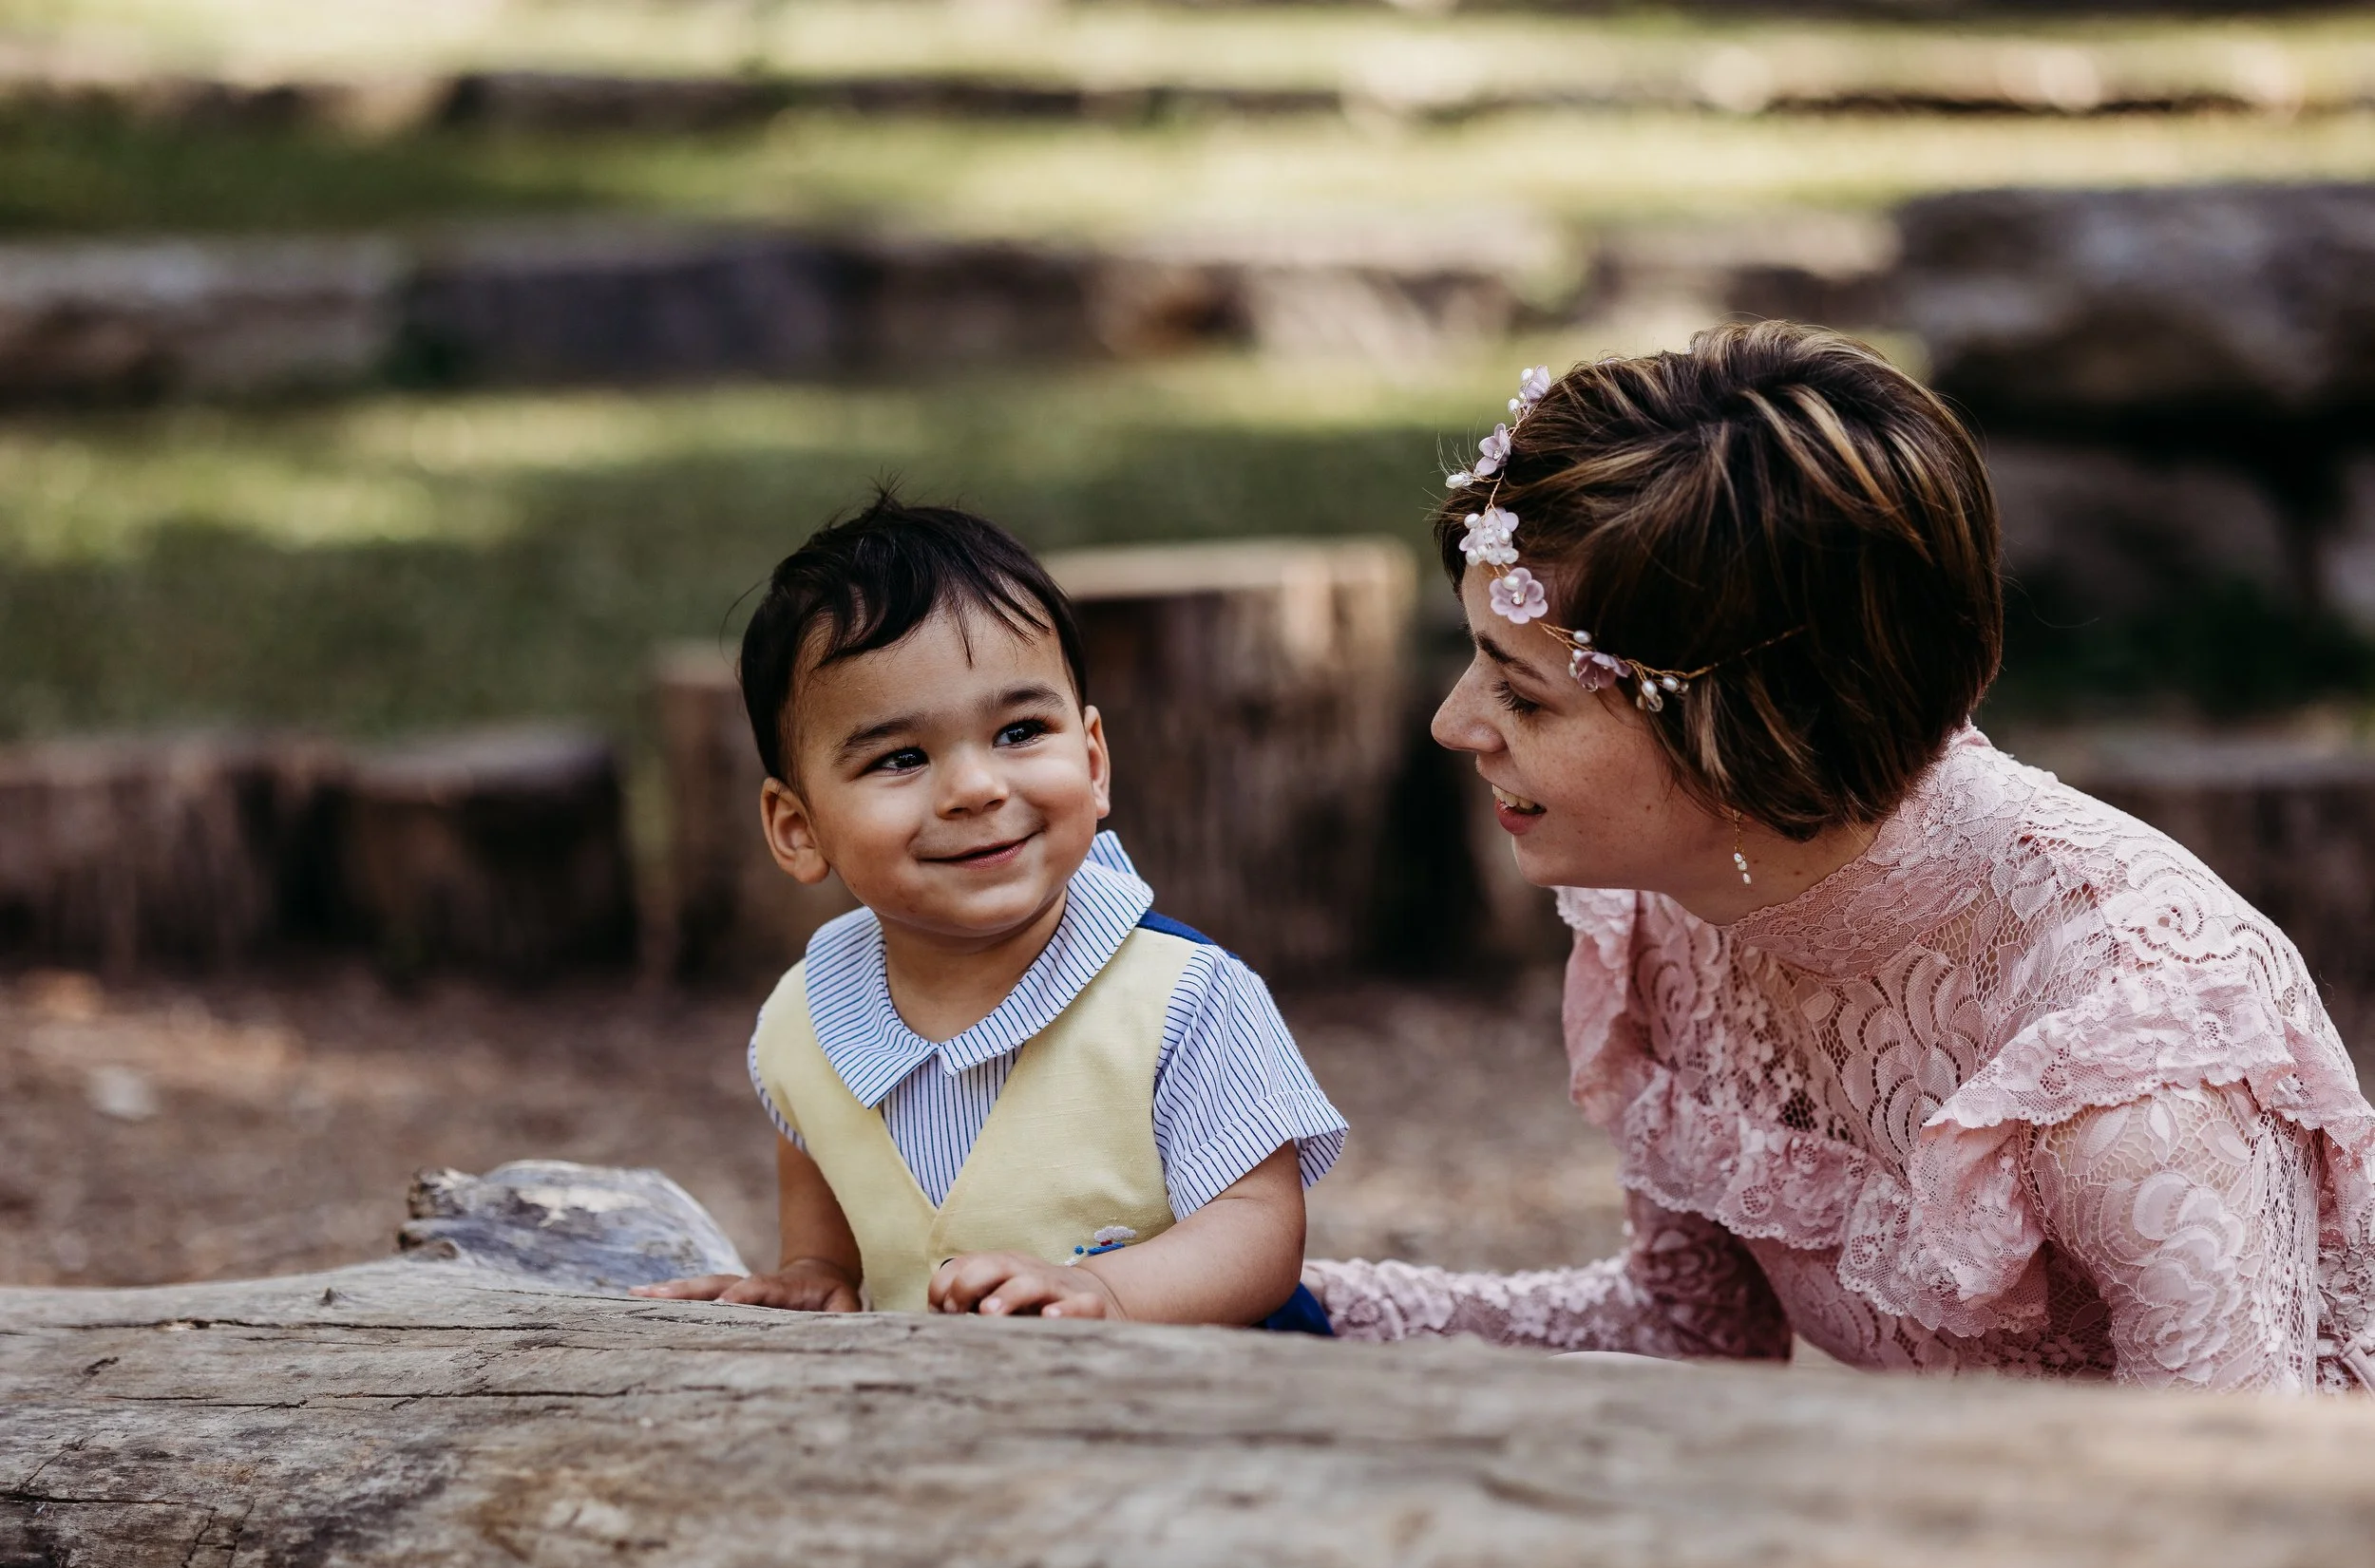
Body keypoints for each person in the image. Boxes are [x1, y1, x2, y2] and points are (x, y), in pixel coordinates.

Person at [1306, 323, 2375, 1389]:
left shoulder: (2129, 1048)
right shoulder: (1680, 909)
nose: (1453, 725)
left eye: (1523, 692)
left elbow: (2223, 1512)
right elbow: (1688, 1327)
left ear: (1749, 721)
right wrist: (1291, 1305)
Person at [635, 495, 1345, 1328]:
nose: (976, 787)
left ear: (1092, 760)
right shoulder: (806, 1023)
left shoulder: (1183, 1001)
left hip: (1206, 1423)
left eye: (1018, 732)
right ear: (798, 829)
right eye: (902, 757)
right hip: (964, 1438)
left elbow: (1260, 1232)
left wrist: (1112, 1291)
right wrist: (814, 1268)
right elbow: (826, 1169)